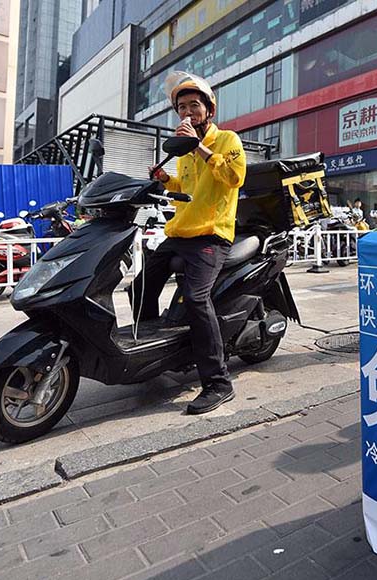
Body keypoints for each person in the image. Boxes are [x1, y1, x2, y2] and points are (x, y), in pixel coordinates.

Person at [131, 71, 246, 415]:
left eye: (194, 106)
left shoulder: (226, 140)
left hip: (211, 234)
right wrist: (165, 178)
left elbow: (234, 177)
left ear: (209, 109)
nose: (187, 113)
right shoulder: (183, 150)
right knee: (139, 287)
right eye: (182, 108)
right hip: (180, 233)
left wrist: (199, 146)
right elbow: (185, 187)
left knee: (196, 299)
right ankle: (153, 356)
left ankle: (219, 382)